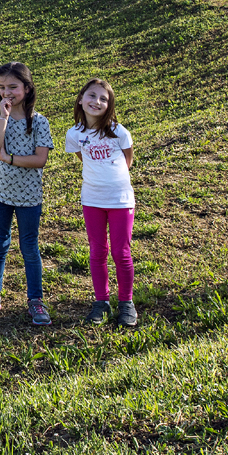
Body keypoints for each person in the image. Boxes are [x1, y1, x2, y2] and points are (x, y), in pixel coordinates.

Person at [0, 61, 53, 325]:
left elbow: (40, 159)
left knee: (29, 248)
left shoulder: (39, 121)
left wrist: (9, 159)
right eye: (2, 88)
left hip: (29, 197)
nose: (7, 92)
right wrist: (4, 117)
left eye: (13, 86)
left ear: (27, 87)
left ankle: (35, 300)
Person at [66, 78, 139, 326]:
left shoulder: (119, 131)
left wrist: (113, 182)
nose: (96, 102)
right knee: (97, 251)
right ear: (80, 99)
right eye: (91, 95)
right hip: (92, 200)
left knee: (121, 252)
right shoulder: (74, 134)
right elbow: (83, 158)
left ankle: (126, 303)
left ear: (109, 106)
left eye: (103, 99)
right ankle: (101, 302)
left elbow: (127, 161)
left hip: (120, 200)